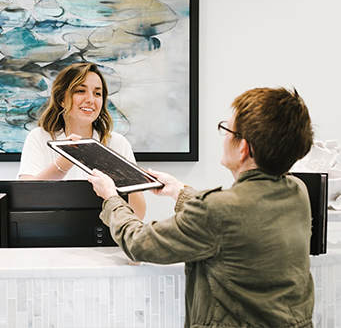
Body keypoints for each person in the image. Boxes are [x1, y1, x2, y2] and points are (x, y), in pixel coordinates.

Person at [88, 87, 315, 327]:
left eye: (227, 129)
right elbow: (241, 215)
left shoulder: (217, 211)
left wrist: (111, 197)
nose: (224, 137)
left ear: (243, 149)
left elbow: (138, 242)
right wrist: (178, 190)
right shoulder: (297, 191)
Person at [18, 62, 146, 219]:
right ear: (61, 99)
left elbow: (138, 214)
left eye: (97, 94)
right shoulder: (39, 138)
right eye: (80, 91)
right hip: (51, 237)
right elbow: (26, 200)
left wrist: (118, 175)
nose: (91, 100)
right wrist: (62, 165)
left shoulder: (118, 143)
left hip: (108, 237)